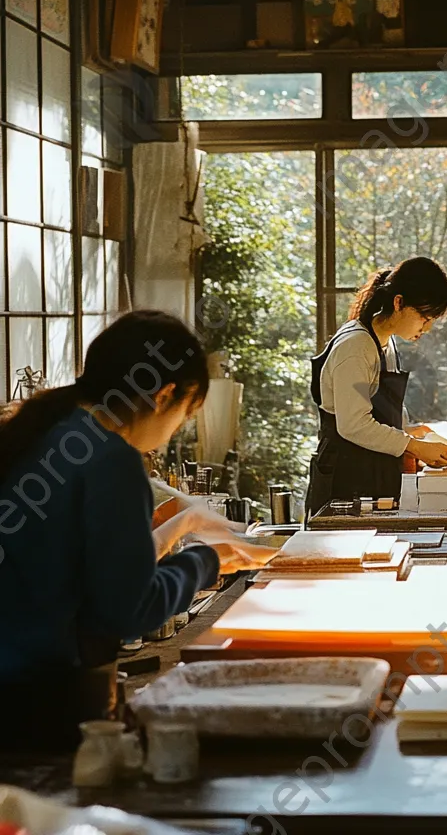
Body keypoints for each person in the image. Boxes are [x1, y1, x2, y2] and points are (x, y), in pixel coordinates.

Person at [0, 311, 274, 750]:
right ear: (164, 396)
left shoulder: (34, 428)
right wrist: (205, 560)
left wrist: (179, 532)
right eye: (184, 416)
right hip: (38, 698)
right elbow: (129, 610)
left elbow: (62, 565)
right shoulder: (111, 460)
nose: (172, 434)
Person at [308, 257, 447, 515]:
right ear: (398, 302)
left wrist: (413, 431)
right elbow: (354, 424)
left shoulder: (385, 342)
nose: (428, 327)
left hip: (372, 478)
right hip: (346, 483)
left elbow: (380, 409)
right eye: (424, 316)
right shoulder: (355, 346)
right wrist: (413, 445)